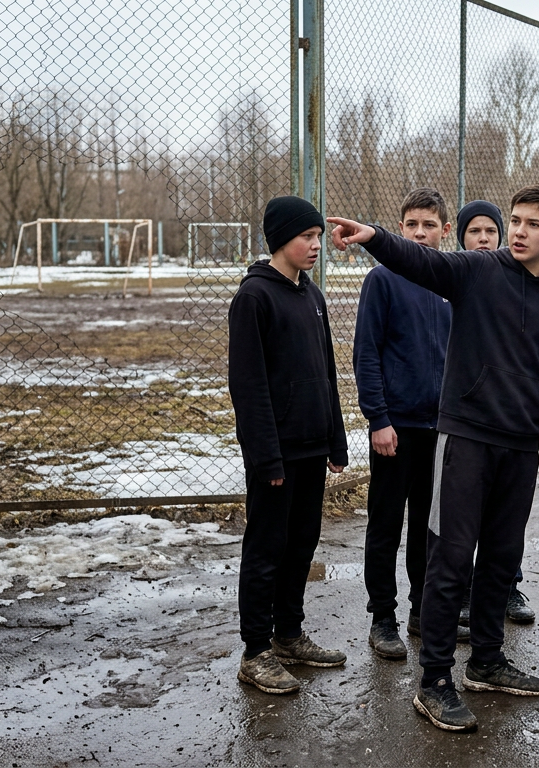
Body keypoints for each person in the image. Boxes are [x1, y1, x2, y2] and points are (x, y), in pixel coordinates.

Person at [328, 184, 539, 733]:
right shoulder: (478, 270)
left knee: (500, 558)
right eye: (516, 220)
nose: (519, 232)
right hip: (465, 439)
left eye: (533, 224)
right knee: (450, 557)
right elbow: (419, 260)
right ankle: (435, 680)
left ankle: (487, 661)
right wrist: (374, 237)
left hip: (519, 448)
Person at [229, 195, 349, 696]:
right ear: (281, 240)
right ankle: (256, 651)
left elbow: (326, 372)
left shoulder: (312, 294)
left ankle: (289, 636)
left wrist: (336, 440)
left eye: (319, 236)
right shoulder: (254, 297)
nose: (316, 245)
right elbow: (248, 386)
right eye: (307, 237)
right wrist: (266, 456)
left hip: (311, 446)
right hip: (275, 453)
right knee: (267, 549)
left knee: (301, 545)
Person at [354, 188, 462, 661]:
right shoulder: (383, 280)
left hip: (440, 427)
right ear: (400, 228)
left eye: (429, 225)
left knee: (427, 523)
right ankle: (383, 616)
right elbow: (367, 354)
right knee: (386, 521)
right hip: (395, 427)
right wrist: (379, 418)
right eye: (412, 224)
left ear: (445, 230)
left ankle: (423, 611)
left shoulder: (453, 281)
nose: (420, 233)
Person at [453, 200, 537, 626]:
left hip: (511, 426)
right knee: (458, 522)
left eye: (491, 231)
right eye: (474, 231)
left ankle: (507, 587)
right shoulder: (459, 278)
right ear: (460, 237)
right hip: (464, 423)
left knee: (504, 523)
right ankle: (462, 592)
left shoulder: (529, 286)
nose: (484, 238)